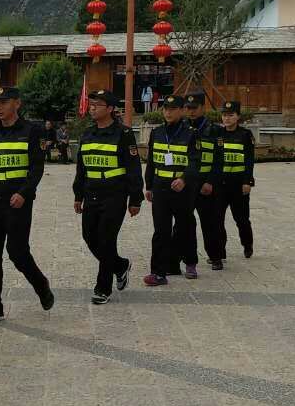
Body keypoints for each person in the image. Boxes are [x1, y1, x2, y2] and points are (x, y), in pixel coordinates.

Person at [0, 86, 53, 322]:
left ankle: (41, 284)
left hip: (18, 202)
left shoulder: (32, 131)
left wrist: (24, 193)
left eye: (4, 102)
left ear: (17, 103)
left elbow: (37, 167)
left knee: (17, 252)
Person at [73, 89, 143, 304]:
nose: (92, 108)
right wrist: (78, 195)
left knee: (106, 240)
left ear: (111, 109)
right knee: (89, 237)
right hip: (91, 193)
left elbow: (133, 168)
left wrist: (135, 199)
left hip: (115, 195)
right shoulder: (88, 133)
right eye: (91, 104)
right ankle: (120, 266)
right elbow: (81, 168)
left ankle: (103, 288)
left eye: (98, 105)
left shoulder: (124, 133)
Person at [143, 92, 201, 286]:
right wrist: (149, 185)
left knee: (185, 227)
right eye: (166, 109)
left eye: (173, 109)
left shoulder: (191, 133)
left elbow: (195, 162)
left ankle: (190, 262)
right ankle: (158, 272)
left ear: (182, 111)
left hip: (182, 189)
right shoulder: (157, 132)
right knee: (161, 230)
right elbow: (151, 161)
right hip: (160, 187)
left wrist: (184, 179)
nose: (168, 113)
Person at [183, 90, 226, 269]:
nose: (191, 111)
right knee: (183, 223)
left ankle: (215, 257)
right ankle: (184, 258)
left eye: (194, 108)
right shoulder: (181, 128)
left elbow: (219, 159)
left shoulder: (215, 130)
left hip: (206, 183)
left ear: (203, 107)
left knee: (210, 223)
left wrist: (210, 182)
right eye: (188, 108)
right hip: (186, 183)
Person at [217, 99, 255, 259]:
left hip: (238, 184)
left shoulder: (245, 135)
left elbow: (249, 160)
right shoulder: (218, 134)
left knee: (241, 219)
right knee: (217, 220)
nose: (227, 118)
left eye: (231, 115)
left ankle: (247, 244)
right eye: (224, 115)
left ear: (238, 116)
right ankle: (220, 250)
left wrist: (247, 181)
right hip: (220, 184)